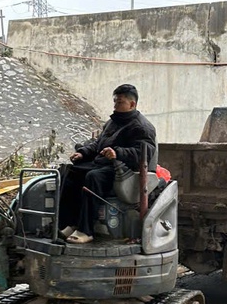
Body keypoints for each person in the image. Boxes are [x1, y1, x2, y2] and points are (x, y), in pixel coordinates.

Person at [58, 84, 156, 244]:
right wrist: (83, 152)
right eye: (115, 102)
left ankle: (86, 230)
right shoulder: (113, 122)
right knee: (71, 171)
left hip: (124, 170)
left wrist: (117, 153)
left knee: (93, 177)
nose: (115, 106)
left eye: (120, 102)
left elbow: (143, 153)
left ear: (132, 104)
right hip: (103, 163)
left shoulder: (142, 127)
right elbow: (98, 143)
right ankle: (69, 222)